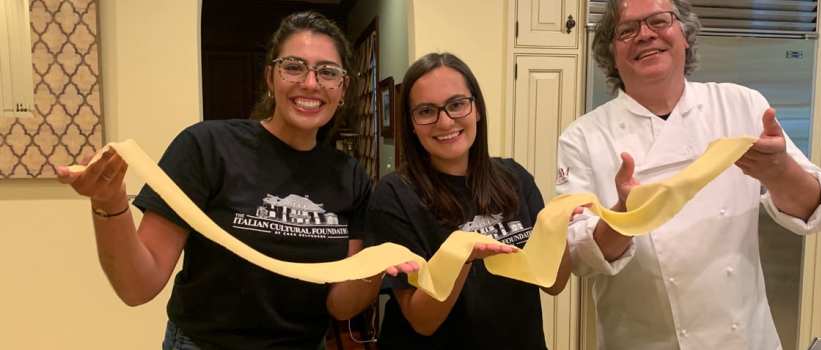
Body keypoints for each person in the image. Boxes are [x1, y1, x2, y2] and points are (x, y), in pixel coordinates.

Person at [56, 12, 416, 350]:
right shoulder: (207, 147)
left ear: (342, 88)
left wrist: (373, 267)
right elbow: (137, 286)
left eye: (327, 72)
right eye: (294, 67)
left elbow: (340, 307)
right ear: (270, 78)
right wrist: (108, 203)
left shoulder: (349, 175)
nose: (310, 83)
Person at [556, 0, 821, 349]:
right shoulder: (583, 137)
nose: (645, 35)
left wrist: (780, 172)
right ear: (611, 54)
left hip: (744, 339)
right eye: (627, 30)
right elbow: (577, 258)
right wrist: (626, 217)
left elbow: (819, 210)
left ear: (685, 35)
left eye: (659, 21)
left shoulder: (740, 104)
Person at [365, 52, 572, 349]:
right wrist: (461, 257)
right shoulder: (395, 196)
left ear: (476, 109)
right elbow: (422, 321)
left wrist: (558, 231)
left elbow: (553, 283)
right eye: (426, 111)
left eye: (457, 104)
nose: (445, 121)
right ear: (411, 124)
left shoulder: (515, 178)